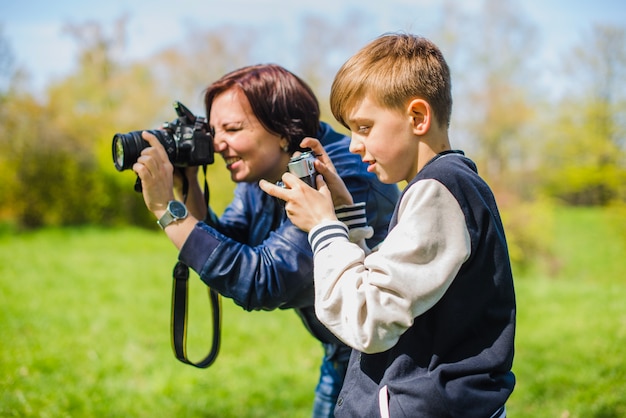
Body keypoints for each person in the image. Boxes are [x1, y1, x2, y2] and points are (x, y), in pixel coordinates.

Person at [260, 34, 516, 417]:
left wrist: (322, 227)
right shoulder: (442, 186)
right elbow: (392, 288)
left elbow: (369, 319)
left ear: (417, 117)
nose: (351, 145)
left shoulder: (438, 189)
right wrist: (344, 215)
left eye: (363, 127)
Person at [132, 63, 400, 417]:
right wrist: (189, 187)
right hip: (343, 356)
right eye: (214, 131)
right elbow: (228, 242)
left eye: (231, 128)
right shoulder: (260, 175)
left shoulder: (343, 174)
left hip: (393, 368)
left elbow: (263, 280)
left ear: (282, 129)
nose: (217, 144)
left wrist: (167, 211)